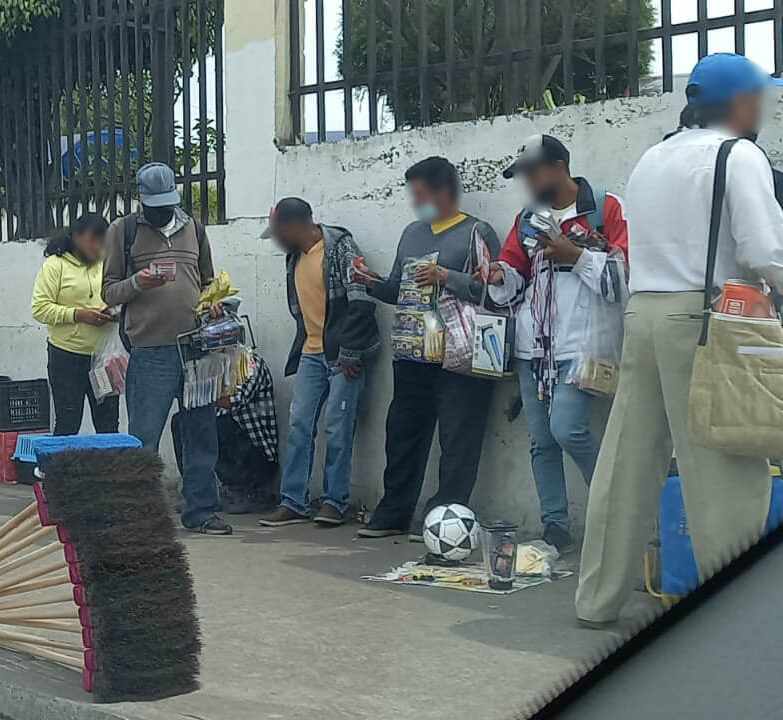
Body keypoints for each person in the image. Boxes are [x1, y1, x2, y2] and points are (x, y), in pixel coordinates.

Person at [575, 53, 783, 628]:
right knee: (726, 470)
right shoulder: (737, 155)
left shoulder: (651, 157)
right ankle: (738, 618)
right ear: (740, 103)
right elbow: (767, 252)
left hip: (644, 315)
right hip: (708, 318)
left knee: (626, 464)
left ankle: (596, 600)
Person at [482, 135, 630, 552]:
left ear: (560, 166)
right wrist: (497, 275)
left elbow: (623, 279)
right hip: (534, 349)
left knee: (568, 429)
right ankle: (556, 527)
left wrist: (575, 255)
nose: (527, 181)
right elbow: (514, 276)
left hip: (585, 346)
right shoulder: (528, 218)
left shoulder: (604, 209)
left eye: (533, 171)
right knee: (541, 441)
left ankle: (616, 513)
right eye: (522, 174)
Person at [350, 157, 502, 539]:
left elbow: (497, 290)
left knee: (457, 437)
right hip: (413, 352)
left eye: (420, 195)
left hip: (460, 355)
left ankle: (443, 517)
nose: (416, 203)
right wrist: (371, 282)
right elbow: (397, 288)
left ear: (443, 192)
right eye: (412, 195)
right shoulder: (411, 233)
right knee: (402, 432)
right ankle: (393, 511)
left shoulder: (475, 232)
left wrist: (446, 276)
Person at [101, 162, 231, 535]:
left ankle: (201, 511)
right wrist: (138, 282)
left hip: (196, 350)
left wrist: (213, 302)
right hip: (150, 350)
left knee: (201, 433)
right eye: (155, 204)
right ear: (141, 200)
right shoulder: (123, 231)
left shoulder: (195, 229)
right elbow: (108, 291)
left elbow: (207, 282)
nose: (162, 211)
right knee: (144, 437)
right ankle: (140, 515)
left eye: (167, 203)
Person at [257, 197, 379, 528]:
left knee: (338, 427)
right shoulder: (293, 257)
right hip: (311, 352)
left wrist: (350, 353)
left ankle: (334, 502)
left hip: (343, 355)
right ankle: (293, 501)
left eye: (280, 232)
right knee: (299, 424)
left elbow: (361, 301)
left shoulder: (341, 248)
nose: (278, 240)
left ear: (295, 226)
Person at [32, 213, 119, 435]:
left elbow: (118, 292)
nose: (98, 246)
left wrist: (115, 311)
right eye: (93, 240)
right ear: (77, 237)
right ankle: (61, 470)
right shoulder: (55, 266)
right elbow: (40, 308)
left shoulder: (107, 263)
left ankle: (110, 469)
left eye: (103, 241)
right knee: (68, 423)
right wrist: (78, 315)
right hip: (67, 358)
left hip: (104, 359)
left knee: (108, 424)